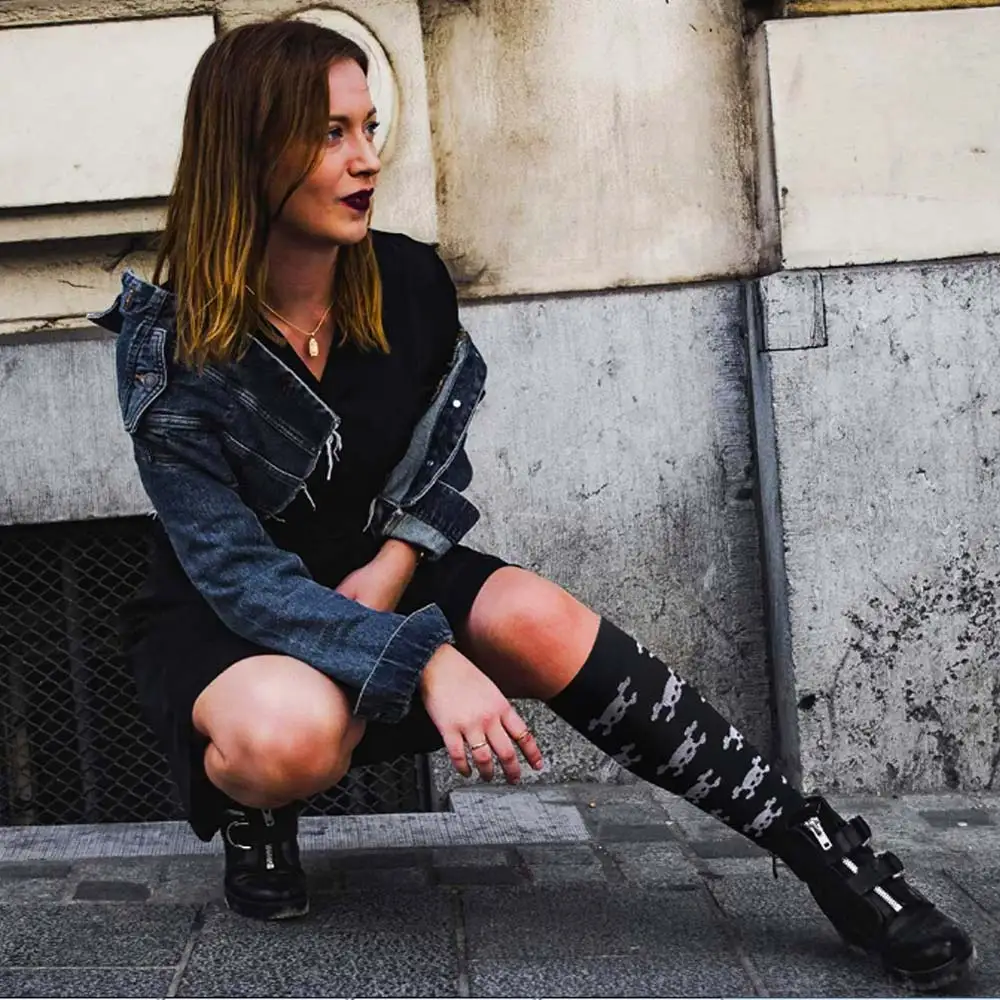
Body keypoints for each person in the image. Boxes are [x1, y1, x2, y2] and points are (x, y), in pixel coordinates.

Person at [90, 16, 974, 991]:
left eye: (368, 127)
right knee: (290, 736)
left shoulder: (408, 280)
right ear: (251, 150)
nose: (366, 158)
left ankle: (819, 846)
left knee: (540, 619)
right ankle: (258, 810)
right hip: (235, 617)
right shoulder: (174, 347)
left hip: (386, 557)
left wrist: (391, 571)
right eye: (330, 134)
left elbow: (436, 459)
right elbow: (238, 576)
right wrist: (425, 660)